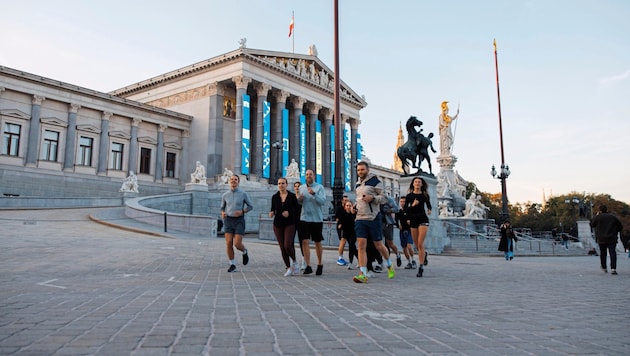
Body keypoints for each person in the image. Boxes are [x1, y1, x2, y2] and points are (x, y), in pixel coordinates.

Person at [352, 161, 395, 283]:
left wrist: (373, 198)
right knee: (361, 245)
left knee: (379, 245)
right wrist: (354, 206)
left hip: (373, 217)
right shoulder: (357, 184)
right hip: (360, 218)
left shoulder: (375, 182)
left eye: (362, 170)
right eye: (359, 170)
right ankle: (363, 273)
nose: (360, 172)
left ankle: (389, 264)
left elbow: (385, 198)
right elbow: (360, 199)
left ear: (368, 170)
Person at [220, 175, 254, 272]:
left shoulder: (243, 194)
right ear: (229, 181)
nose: (233, 181)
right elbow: (222, 207)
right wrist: (222, 213)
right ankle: (232, 264)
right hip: (228, 220)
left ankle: (244, 251)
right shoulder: (225, 195)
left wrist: (243, 211)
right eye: (232, 180)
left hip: (239, 220)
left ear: (238, 182)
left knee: (237, 244)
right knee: (229, 243)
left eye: (235, 180)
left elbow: (251, 206)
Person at [296, 169, 327, 275]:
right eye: (307, 174)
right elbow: (299, 203)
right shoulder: (301, 188)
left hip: (316, 218)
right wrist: (299, 199)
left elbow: (322, 202)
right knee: (305, 241)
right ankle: (308, 265)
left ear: (314, 176)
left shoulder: (319, 187)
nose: (308, 176)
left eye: (310, 174)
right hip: (304, 218)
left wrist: (314, 194)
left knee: (317, 242)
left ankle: (320, 264)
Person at [269, 177, 300, 276]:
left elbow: (296, 209)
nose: (281, 185)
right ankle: (288, 267)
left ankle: (294, 261)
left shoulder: (291, 196)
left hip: (290, 223)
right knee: (282, 247)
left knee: (287, 244)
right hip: (278, 223)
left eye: (283, 183)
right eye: (279, 183)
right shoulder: (275, 197)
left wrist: (289, 213)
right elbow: (273, 209)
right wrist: (271, 213)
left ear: (286, 185)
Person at [404, 177, 432, 277]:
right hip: (413, 220)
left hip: (423, 219)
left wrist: (429, 209)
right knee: (417, 245)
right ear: (413, 184)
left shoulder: (424, 195)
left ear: (421, 184)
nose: (417, 183)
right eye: (415, 182)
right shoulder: (409, 196)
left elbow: (429, 205)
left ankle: (421, 267)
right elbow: (406, 209)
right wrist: (413, 205)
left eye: (419, 182)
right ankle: (424, 255)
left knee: (420, 243)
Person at [590, 205, 623, 274]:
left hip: (601, 238)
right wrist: (615, 231)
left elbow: (592, 225)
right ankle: (613, 268)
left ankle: (604, 267)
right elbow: (620, 227)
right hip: (612, 237)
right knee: (612, 252)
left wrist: (596, 216)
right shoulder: (613, 217)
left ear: (600, 210)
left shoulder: (598, 217)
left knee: (603, 253)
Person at [381, 194, 402, 267]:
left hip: (387, 223)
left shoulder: (388, 199)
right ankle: (382, 261)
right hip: (378, 223)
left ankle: (398, 254)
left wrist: (388, 210)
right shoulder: (373, 199)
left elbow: (397, 209)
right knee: (380, 243)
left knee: (390, 243)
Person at [395, 196, 416, 269]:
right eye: (401, 201)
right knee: (404, 247)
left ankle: (413, 260)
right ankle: (409, 262)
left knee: (409, 246)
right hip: (402, 230)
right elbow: (395, 220)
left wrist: (411, 221)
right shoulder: (399, 211)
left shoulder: (410, 210)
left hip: (410, 230)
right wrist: (398, 225)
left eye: (404, 201)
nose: (402, 203)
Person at [338, 199, 358, 269]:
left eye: (350, 205)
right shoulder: (343, 214)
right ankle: (360, 259)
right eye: (347, 205)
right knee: (353, 248)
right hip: (346, 233)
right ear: (345, 207)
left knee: (351, 246)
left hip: (354, 232)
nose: (348, 207)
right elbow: (340, 221)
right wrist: (340, 225)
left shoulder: (354, 214)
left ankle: (351, 262)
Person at [335, 195, 349, 266]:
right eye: (345, 200)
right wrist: (341, 223)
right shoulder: (339, 208)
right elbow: (337, 218)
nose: (346, 201)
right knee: (342, 241)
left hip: (347, 227)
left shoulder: (348, 208)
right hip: (342, 227)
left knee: (345, 241)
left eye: (347, 200)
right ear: (342, 201)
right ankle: (340, 257)